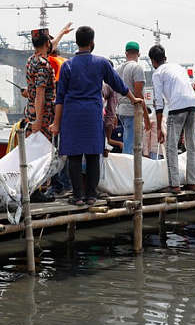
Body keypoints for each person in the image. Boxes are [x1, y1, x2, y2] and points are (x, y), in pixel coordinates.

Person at [50, 26, 141, 205]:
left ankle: (77, 197)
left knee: (74, 156)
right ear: (92, 42)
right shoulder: (102, 63)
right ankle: (91, 195)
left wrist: (56, 123)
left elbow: (59, 98)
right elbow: (118, 84)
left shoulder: (67, 65)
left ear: (76, 43)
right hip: (92, 114)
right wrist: (133, 99)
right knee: (93, 154)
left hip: (72, 115)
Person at [24, 23, 73, 203]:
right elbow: (40, 93)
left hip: (31, 112)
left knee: (34, 152)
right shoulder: (43, 64)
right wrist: (39, 120)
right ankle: (35, 190)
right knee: (41, 153)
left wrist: (62, 32)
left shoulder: (31, 59)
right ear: (46, 43)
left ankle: (35, 188)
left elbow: (52, 44)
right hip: (42, 115)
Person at [149, 44, 195, 193]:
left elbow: (158, 101)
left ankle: (174, 184)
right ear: (165, 57)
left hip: (177, 107)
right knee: (191, 146)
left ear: (153, 61)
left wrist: (158, 128)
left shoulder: (157, 73)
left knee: (171, 147)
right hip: (192, 104)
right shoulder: (177, 67)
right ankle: (192, 182)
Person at [115, 41, 151, 154]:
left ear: (126, 53)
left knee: (128, 144)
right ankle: (129, 171)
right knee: (131, 147)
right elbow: (138, 94)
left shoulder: (118, 69)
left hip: (121, 110)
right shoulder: (137, 68)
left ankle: (129, 169)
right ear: (139, 54)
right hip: (132, 111)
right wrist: (146, 117)